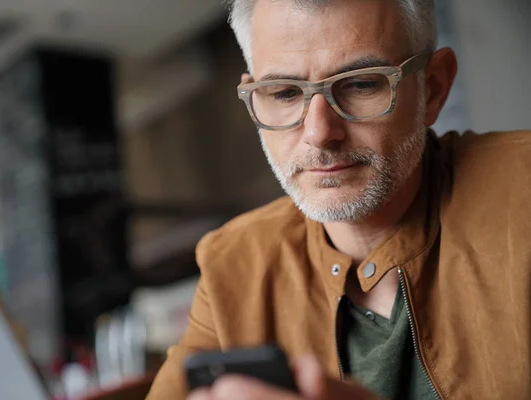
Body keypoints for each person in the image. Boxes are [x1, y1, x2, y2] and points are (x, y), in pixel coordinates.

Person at [146, 0, 531, 398]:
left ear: (432, 88)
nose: (319, 131)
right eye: (283, 92)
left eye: (361, 83)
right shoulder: (232, 264)